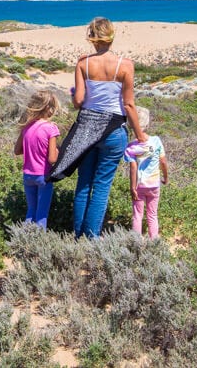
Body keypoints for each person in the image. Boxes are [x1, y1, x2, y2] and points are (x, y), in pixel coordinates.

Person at [48, 17, 147, 238]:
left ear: (92, 38)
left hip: (86, 130)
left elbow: (79, 102)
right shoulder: (126, 65)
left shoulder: (83, 63)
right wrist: (140, 135)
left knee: (83, 184)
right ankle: (91, 239)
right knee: (101, 187)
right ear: (112, 36)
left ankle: (77, 236)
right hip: (113, 131)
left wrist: (75, 94)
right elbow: (129, 105)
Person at [14, 90, 60, 228]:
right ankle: (38, 245)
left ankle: (24, 240)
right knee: (42, 214)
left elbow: (17, 151)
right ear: (47, 108)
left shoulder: (26, 126)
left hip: (28, 175)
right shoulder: (51, 128)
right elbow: (52, 159)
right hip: (43, 176)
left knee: (31, 210)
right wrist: (58, 151)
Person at [125, 131, 168, 239]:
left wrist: (132, 187)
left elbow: (133, 168)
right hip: (154, 184)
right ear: (147, 125)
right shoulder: (156, 140)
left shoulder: (131, 146)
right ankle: (154, 241)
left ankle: (136, 242)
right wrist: (166, 177)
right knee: (152, 214)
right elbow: (163, 161)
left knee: (137, 215)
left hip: (139, 185)